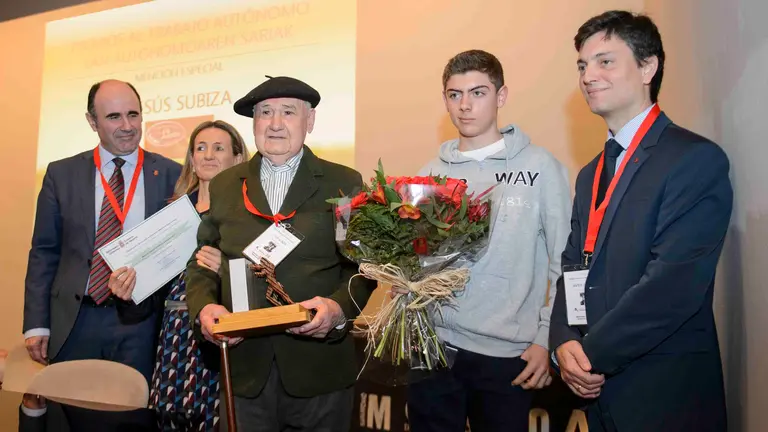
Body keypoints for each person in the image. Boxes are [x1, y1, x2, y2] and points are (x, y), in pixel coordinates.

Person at [550, 10, 732, 432]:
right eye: (582, 65)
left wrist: (590, 355)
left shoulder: (693, 158)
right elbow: (572, 268)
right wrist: (562, 341)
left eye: (605, 61)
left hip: (663, 394)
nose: (588, 76)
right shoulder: (590, 172)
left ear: (648, 66)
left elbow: (672, 287)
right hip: (597, 395)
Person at [185, 75, 377, 432]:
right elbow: (202, 261)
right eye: (265, 113)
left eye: (288, 112)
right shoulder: (227, 183)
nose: (274, 123)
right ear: (254, 122)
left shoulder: (344, 182)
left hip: (319, 371)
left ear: (310, 121)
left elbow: (364, 268)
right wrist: (204, 308)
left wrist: (337, 309)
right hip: (244, 372)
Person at [407, 50, 572, 431]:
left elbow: (565, 261)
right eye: (454, 94)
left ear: (501, 96)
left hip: (507, 355)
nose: (465, 105)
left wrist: (546, 337)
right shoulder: (429, 174)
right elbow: (413, 262)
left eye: (478, 92)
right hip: (433, 348)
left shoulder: (539, 168)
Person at [22, 79, 182, 427]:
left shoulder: (172, 173)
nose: (127, 126)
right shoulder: (61, 174)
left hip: (142, 323)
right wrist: (36, 323)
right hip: (76, 320)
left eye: (133, 114)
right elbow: (44, 252)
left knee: (134, 419)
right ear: (92, 122)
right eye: (113, 117)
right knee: (71, 418)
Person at [108, 120, 250, 431]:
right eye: (200, 148)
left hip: (220, 334)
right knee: (169, 417)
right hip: (172, 336)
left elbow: (263, 278)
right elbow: (150, 295)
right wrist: (128, 289)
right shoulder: (170, 215)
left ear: (237, 159)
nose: (208, 155)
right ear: (191, 158)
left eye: (218, 148)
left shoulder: (248, 216)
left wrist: (224, 269)